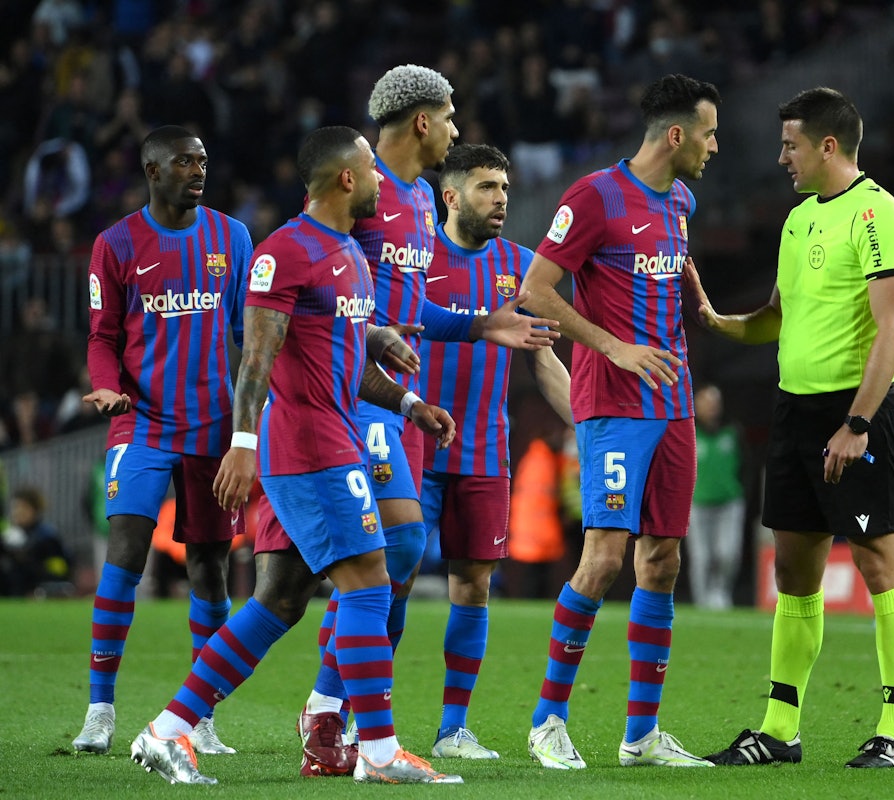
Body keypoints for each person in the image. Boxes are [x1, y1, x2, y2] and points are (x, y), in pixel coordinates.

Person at [128, 126, 462, 785]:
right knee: (370, 577)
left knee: (279, 599)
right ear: (345, 179)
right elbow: (256, 357)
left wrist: (405, 405)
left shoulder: (350, 256)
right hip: (308, 446)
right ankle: (377, 750)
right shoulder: (285, 252)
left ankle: (166, 731)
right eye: (370, 172)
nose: (379, 185)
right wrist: (243, 445)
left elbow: (341, 358)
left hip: (326, 436)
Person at [294, 64, 559, 777]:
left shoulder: (409, 197)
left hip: (407, 408)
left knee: (389, 563)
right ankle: (328, 713)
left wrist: (479, 326)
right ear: (422, 121)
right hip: (352, 397)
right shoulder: (359, 183)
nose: (456, 129)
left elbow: (412, 317)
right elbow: (317, 278)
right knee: (384, 559)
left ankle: (338, 719)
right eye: (449, 118)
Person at [694, 87, 894, 768]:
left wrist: (857, 422)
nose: (780, 157)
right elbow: (776, 316)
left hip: (853, 412)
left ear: (827, 146)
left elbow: (893, 328)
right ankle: (779, 728)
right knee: (793, 569)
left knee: (879, 562)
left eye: (789, 144)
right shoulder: (797, 221)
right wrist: (718, 322)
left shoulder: (879, 214)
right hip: (792, 411)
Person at [519, 73, 722, 770]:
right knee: (603, 559)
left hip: (673, 403)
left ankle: (640, 737)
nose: (714, 145)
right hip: (612, 401)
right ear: (675, 135)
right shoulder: (593, 197)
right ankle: (547, 721)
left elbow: (668, 263)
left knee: (661, 562)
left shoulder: (681, 199)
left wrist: (699, 297)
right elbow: (535, 289)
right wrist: (610, 345)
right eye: (708, 132)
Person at [74, 126, 252, 757]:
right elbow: (102, 336)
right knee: (126, 551)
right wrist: (104, 387)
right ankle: (100, 709)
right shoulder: (115, 243)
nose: (198, 170)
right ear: (153, 171)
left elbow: (246, 334)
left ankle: (201, 716)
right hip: (141, 420)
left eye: (203, 160)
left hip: (212, 428)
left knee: (210, 566)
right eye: (184, 161)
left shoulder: (232, 237)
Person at [417, 143, 572, 759]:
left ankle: (454, 729)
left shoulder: (521, 267)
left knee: (474, 585)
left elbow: (546, 362)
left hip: (484, 451)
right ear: (450, 197)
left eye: (504, 187)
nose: (501, 198)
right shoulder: (414, 258)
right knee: (387, 579)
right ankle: (341, 714)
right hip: (412, 448)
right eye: (486, 187)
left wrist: (587, 428)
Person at [686, 384, 745, 609]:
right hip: (698, 503)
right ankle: (702, 602)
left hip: (729, 502)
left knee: (728, 553)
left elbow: (746, 465)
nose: (711, 407)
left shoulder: (732, 430)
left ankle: (721, 594)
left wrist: (739, 489)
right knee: (701, 557)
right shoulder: (690, 432)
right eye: (706, 402)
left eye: (714, 402)